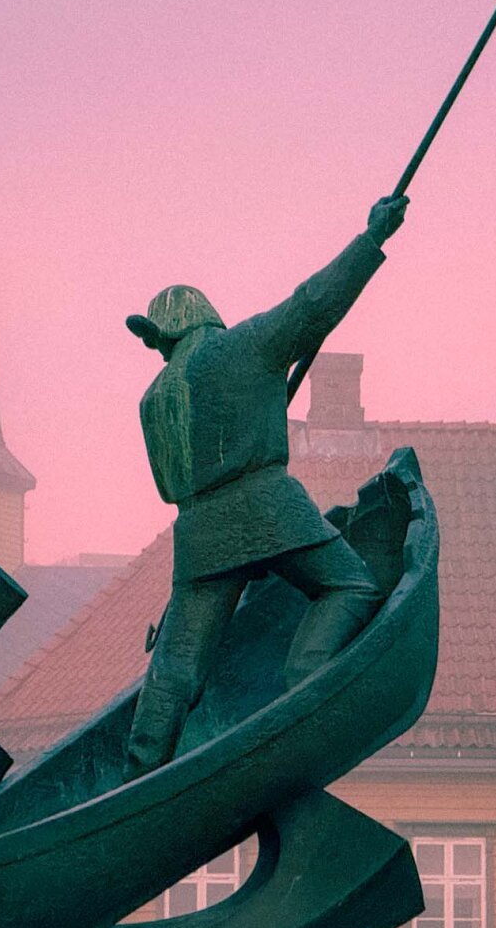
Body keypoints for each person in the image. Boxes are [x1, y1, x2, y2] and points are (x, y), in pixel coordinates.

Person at [122, 194, 409, 778]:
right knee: (352, 585)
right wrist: (371, 237)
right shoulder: (242, 347)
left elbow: (165, 484)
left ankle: (139, 770)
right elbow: (313, 305)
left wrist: (264, 405)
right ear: (205, 318)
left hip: (200, 534)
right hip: (267, 505)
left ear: (164, 336)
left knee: (177, 668)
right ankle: (305, 681)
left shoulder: (153, 401)